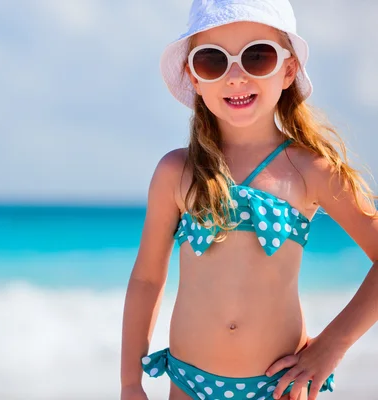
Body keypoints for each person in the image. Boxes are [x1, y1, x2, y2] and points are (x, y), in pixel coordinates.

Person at [119, 1, 378, 399]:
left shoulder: (310, 170)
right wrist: (130, 383)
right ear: (193, 75)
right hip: (188, 385)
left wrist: (332, 346)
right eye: (212, 61)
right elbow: (146, 279)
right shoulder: (177, 172)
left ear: (288, 69)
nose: (235, 77)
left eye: (257, 56)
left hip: (278, 389)